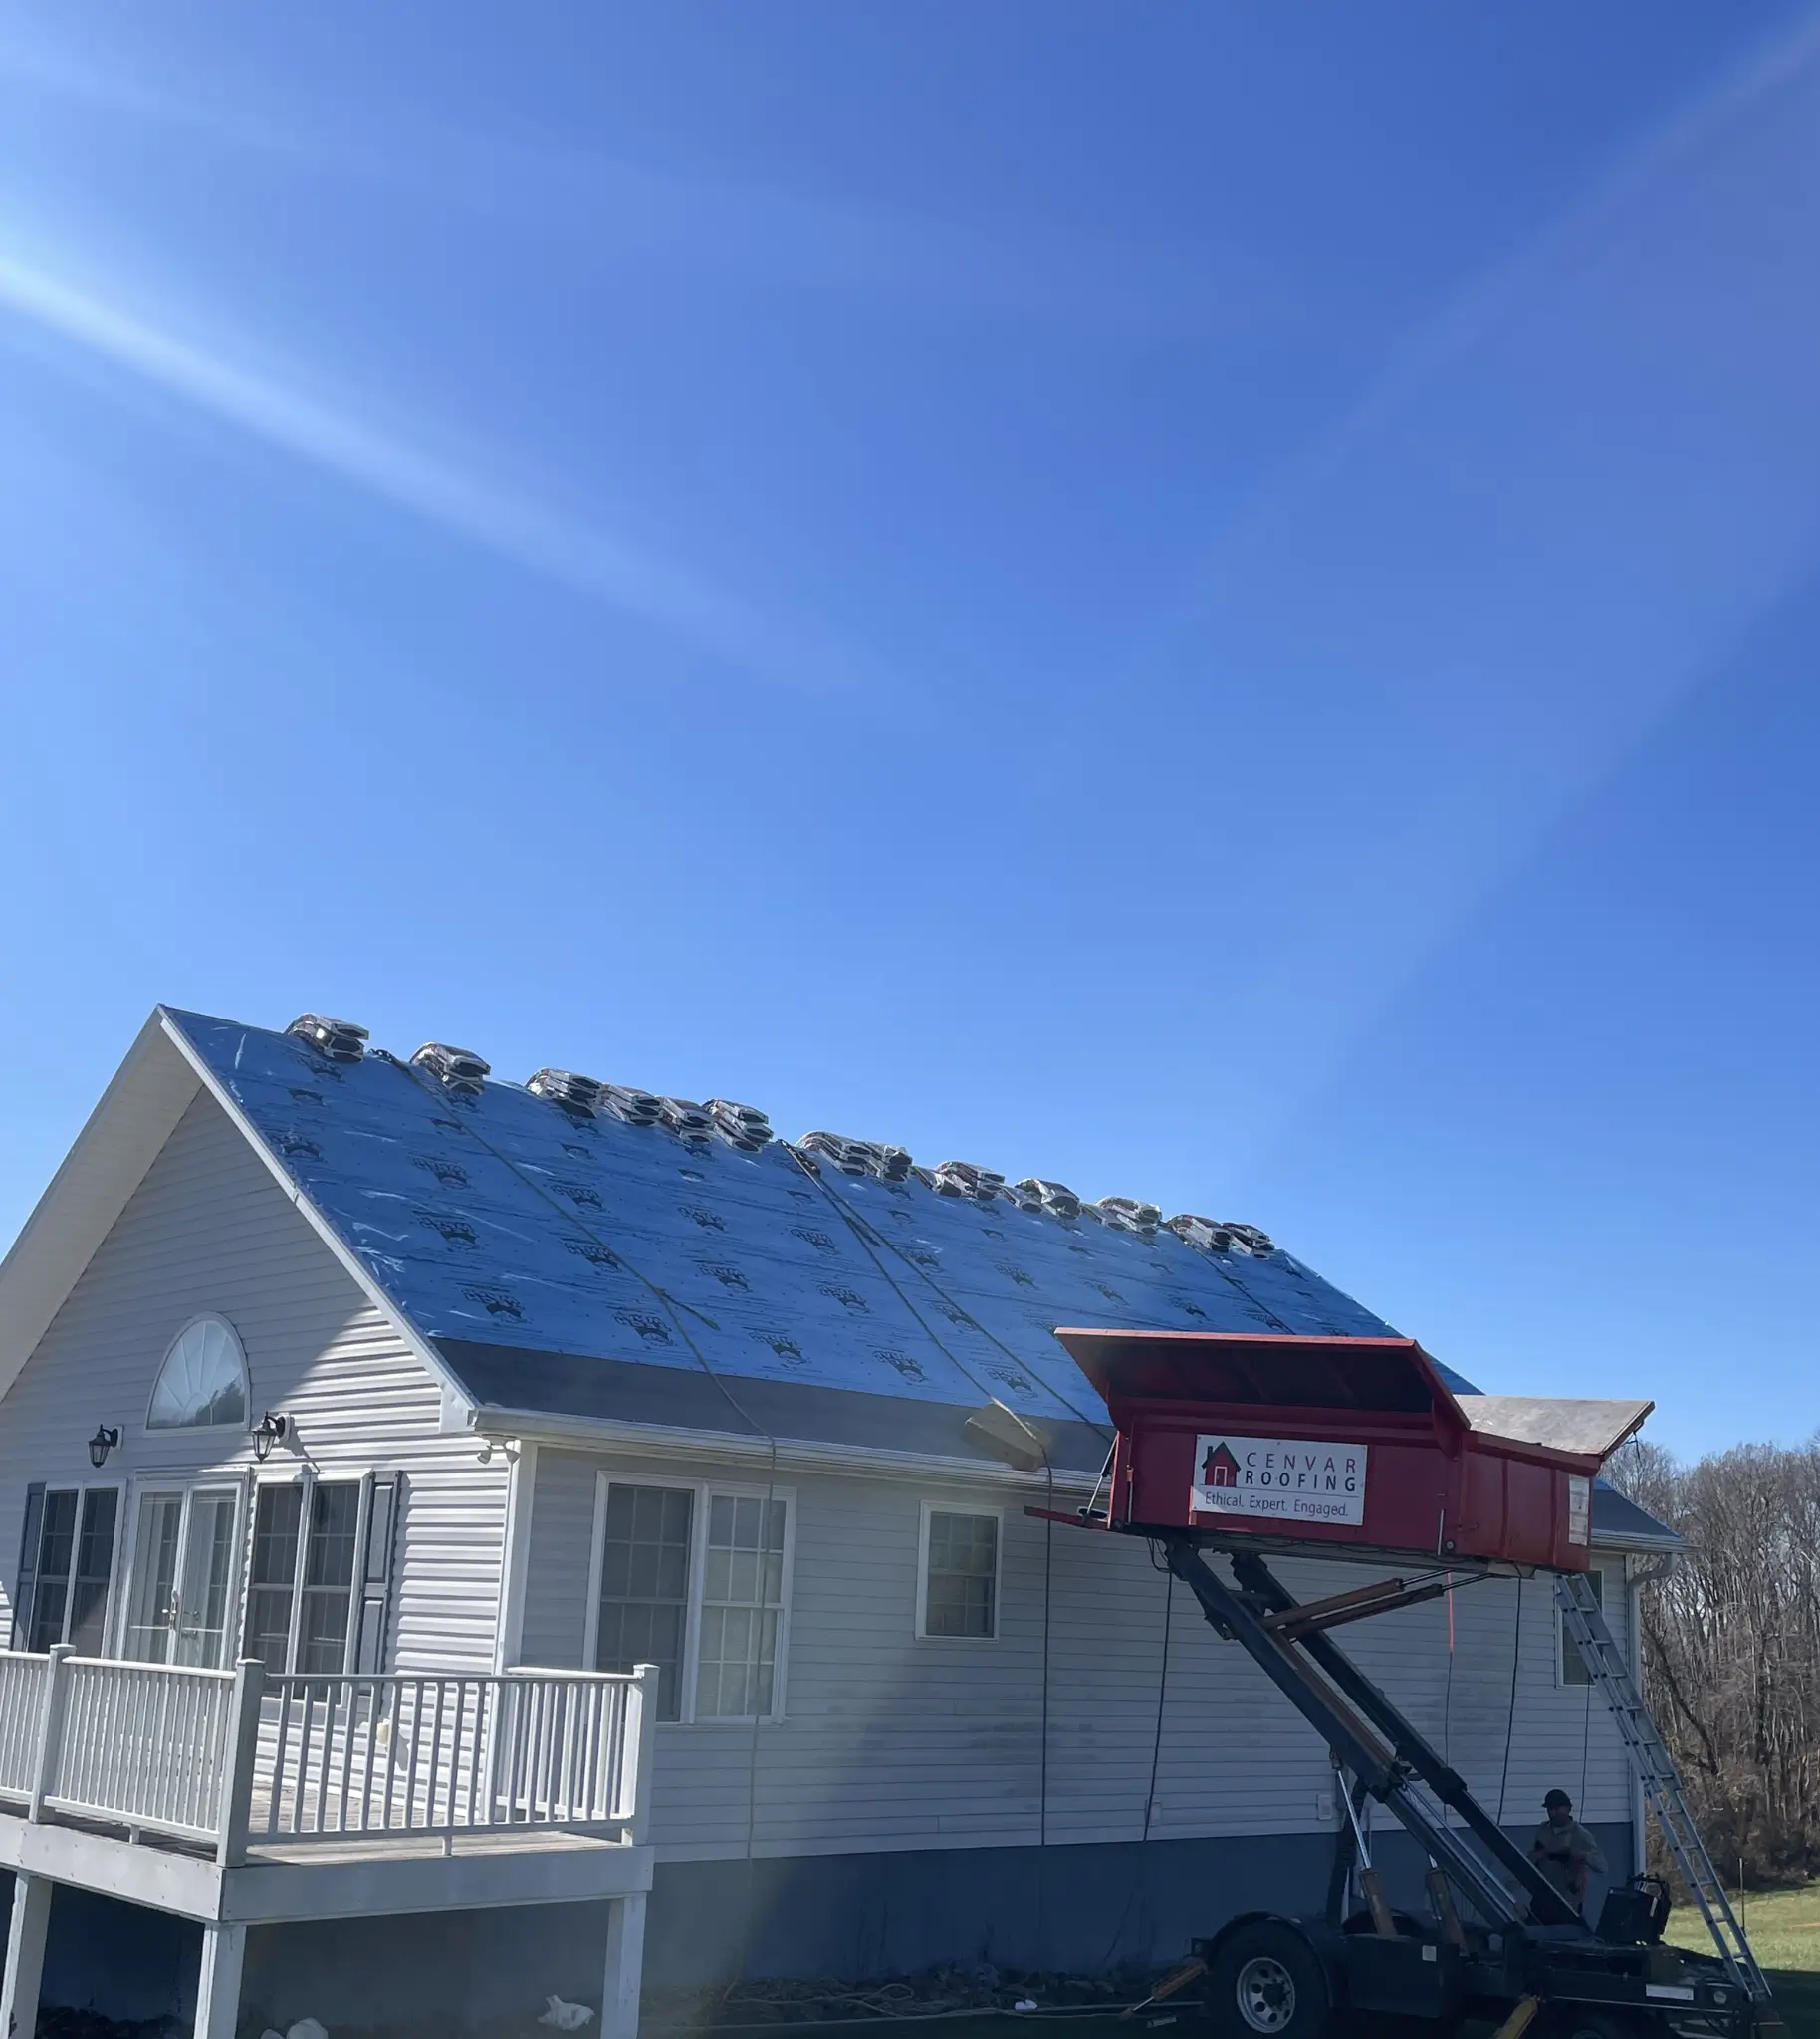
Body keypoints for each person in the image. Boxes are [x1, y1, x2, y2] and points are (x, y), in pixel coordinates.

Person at [1532, 1789, 1607, 1913]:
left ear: (1568, 1809)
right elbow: (1533, 1855)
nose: (1553, 1813)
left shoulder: (1580, 1834)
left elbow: (1602, 1865)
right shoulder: (1543, 1830)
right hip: (1542, 1896)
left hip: (1567, 1900)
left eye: (1558, 1808)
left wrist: (1582, 1855)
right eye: (1550, 1809)